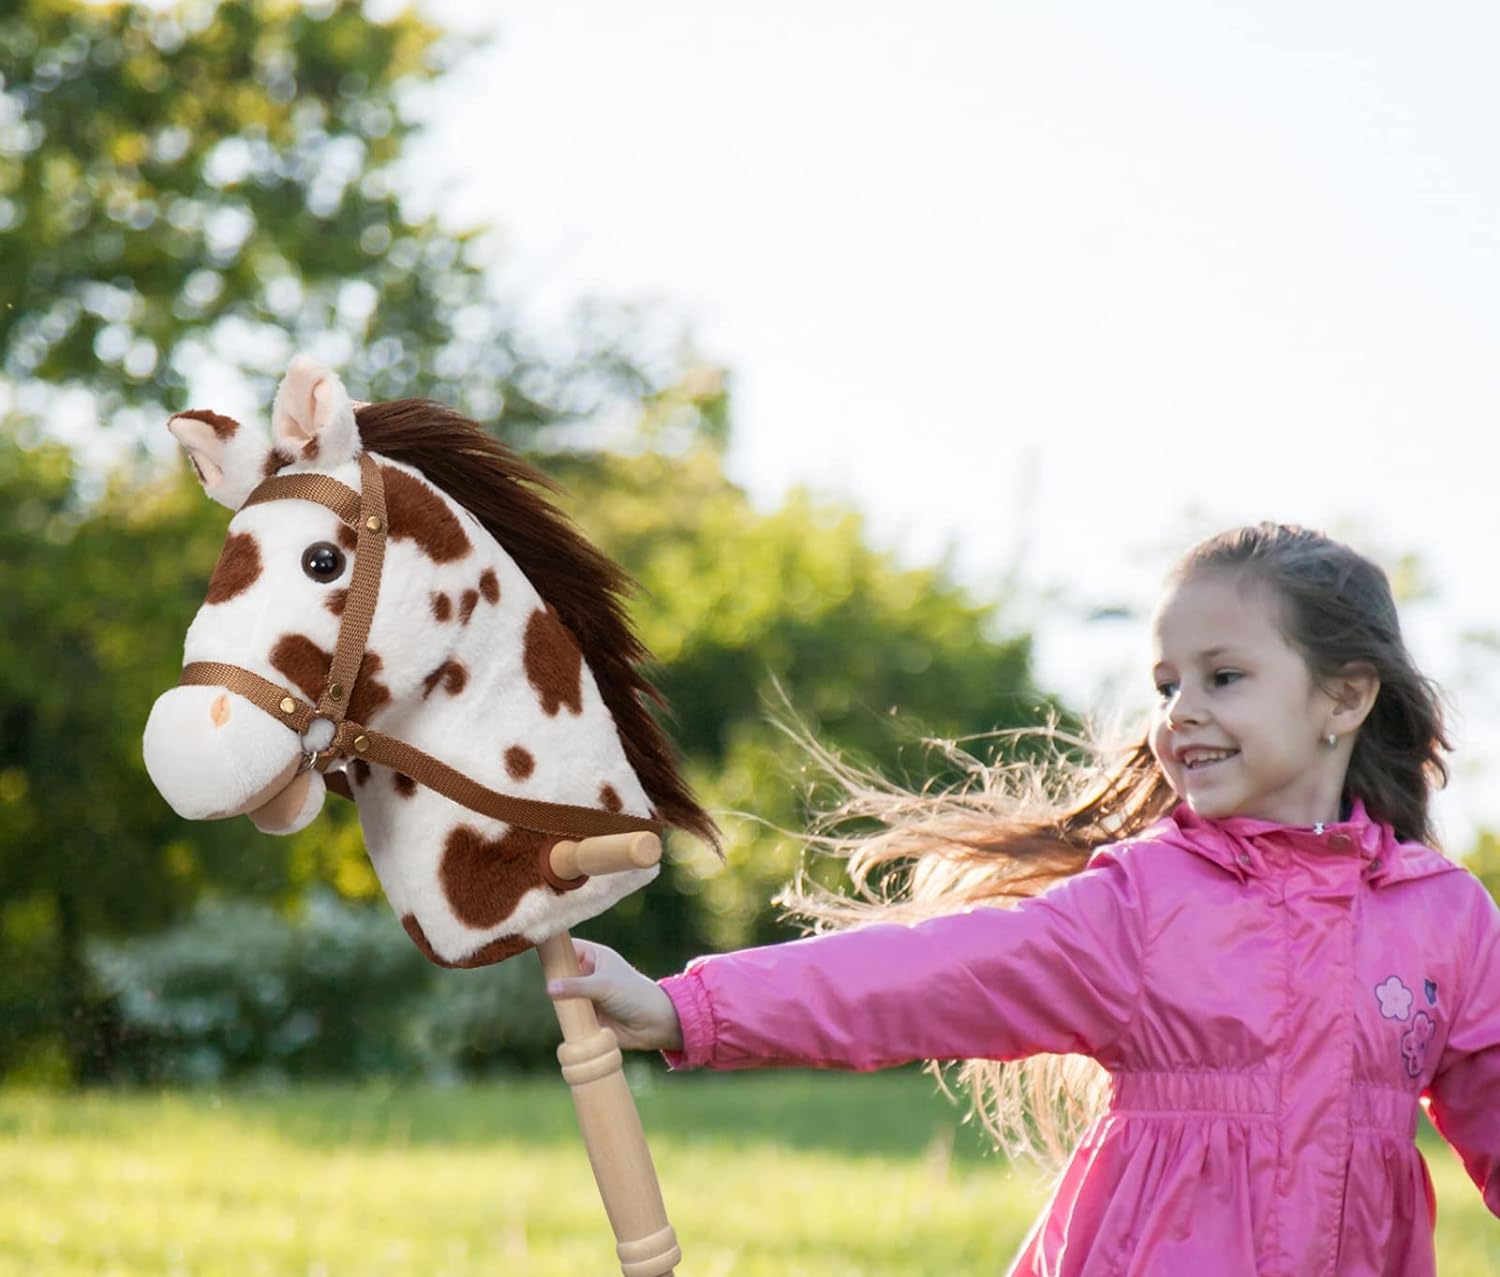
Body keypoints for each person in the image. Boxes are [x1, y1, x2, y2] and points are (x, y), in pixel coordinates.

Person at [547, 523, 1500, 1277]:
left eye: (1225, 676)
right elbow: (924, 975)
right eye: (1167, 684)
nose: (1179, 713)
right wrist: (687, 1004)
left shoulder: (1443, 920)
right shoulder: (1145, 903)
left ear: (1345, 699)